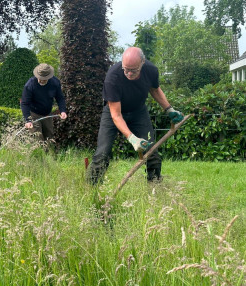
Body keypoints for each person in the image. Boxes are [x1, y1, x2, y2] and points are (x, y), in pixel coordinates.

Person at [86, 47, 184, 184]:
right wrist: (132, 138)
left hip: (139, 112)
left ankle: (154, 185)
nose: (129, 73)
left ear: (142, 62)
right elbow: (116, 115)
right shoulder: (113, 77)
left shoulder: (151, 70)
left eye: (134, 70)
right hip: (113, 113)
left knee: (151, 151)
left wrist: (169, 109)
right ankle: (92, 188)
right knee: (103, 152)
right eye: (126, 69)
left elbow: (155, 90)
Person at [21, 63, 67, 143]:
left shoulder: (55, 83)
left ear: (49, 77)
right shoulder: (30, 85)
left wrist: (63, 110)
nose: (41, 80)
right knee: (37, 139)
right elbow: (25, 103)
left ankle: (50, 155)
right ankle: (39, 155)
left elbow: (60, 98)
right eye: (40, 78)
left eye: (44, 79)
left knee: (49, 138)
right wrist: (28, 120)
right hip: (34, 114)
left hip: (47, 114)